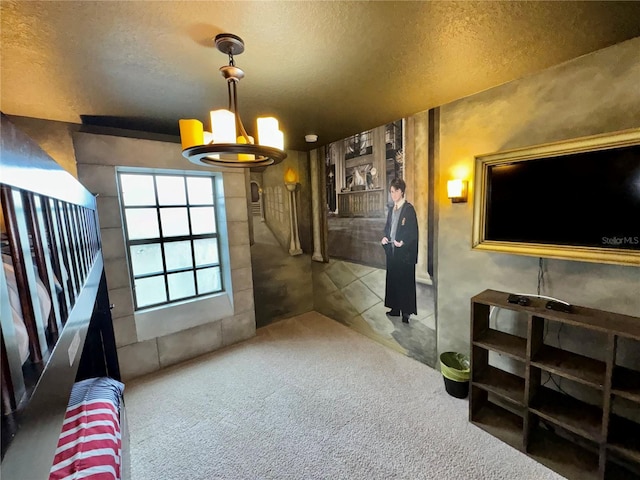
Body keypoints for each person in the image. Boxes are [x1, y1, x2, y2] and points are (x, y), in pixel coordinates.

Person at [381, 178, 418, 323]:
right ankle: (395, 308)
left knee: (405, 282)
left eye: (396, 191)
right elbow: (388, 228)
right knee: (393, 280)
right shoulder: (392, 209)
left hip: (404, 254)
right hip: (392, 251)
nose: (393, 194)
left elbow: (412, 232)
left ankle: (406, 312)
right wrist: (385, 237)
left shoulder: (408, 209)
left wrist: (403, 242)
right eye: (391, 191)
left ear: (402, 191)